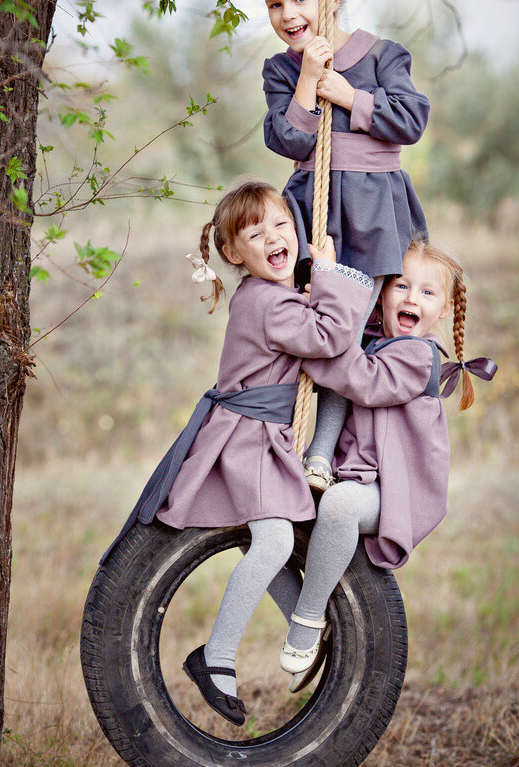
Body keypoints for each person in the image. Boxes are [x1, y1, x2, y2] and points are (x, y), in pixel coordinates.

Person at [109, 180, 374, 726]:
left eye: (282, 225)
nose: (275, 237)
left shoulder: (275, 296)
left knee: (270, 535)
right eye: (256, 234)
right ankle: (217, 657)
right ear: (234, 254)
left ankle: (309, 622)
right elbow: (329, 339)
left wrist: (314, 277)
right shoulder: (265, 302)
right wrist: (327, 273)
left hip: (259, 433)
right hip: (248, 435)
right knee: (276, 537)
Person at [276, 240, 497, 691]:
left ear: (444, 310)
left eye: (427, 293)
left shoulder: (420, 357)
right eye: (401, 285)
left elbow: (364, 381)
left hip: (395, 495)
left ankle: (306, 619)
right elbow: (348, 360)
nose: (411, 298)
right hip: (356, 476)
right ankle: (313, 621)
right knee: (264, 515)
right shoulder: (375, 340)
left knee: (338, 505)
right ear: (383, 293)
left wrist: (315, 335)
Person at [257, 0, 431, 491]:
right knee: (311, 321)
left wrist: (350, 95)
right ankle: (284, 437)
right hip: (317, 207)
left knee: (352, 328)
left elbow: (410, 120)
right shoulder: (280, 70)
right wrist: (308, 78)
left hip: (375, 210)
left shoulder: (382, 53)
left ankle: (326, 452)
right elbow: (287, 138)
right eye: (275, 6)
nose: (289, 16)